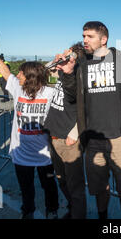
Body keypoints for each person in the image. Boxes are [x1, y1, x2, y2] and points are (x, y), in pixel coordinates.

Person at [58, 21, 121, 220]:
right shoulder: (83, 64)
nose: (85, 40)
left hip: (118, 137)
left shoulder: (118, 59)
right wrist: (67, 74)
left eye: (89, 36)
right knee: (100, 187)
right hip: (92, 139)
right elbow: (73, 96)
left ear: (103, 39)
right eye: (83, 36)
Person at [0, 34, 59, 219]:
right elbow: (4, 71)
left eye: (21, 73)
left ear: (30, 77)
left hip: (45, 155)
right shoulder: (18, 89)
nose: (17, 75)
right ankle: (28, 211)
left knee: (49, 186)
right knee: (26, 188)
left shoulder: (51, 92)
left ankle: (52, 210)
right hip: (21, 154)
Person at [44, 42, 87, 219]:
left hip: (69, 140)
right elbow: (45, 72)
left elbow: (88, 107)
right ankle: (72, 210)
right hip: (54, 135)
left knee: (75, 186)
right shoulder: (64, 71)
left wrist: (75, 133)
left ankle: (78, 215)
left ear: (74, 58)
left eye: (66, 53)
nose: (62, 55)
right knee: (61, 180)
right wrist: (53, 62)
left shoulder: (80, 76)